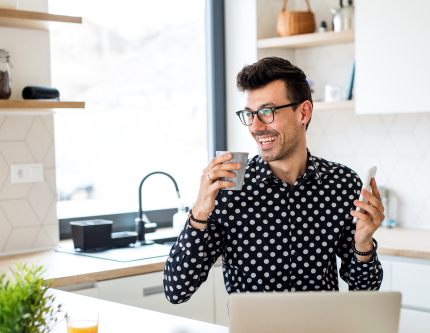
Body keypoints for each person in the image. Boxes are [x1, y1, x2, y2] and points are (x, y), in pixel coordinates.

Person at [163, 57, 385, 304]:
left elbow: (364, 293)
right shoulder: (229, 187)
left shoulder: (341, 183)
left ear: (303, 112)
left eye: (267, 112)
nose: (255, 126)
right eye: (250, 114)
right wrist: (200, 210)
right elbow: (176, 290)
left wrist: (364, 242)